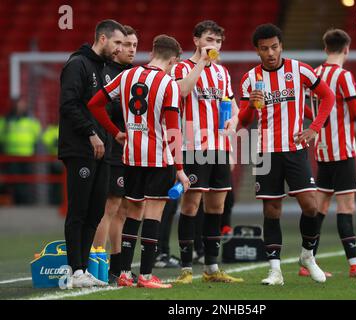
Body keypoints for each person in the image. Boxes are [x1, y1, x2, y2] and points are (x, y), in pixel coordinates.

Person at [88, 34, 190, 289]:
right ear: (175, 60)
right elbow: (174, 131)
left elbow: (94, 104)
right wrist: (179, 169)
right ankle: (145, 275)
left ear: (152, 52)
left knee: (132, 214)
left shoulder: (126, 76)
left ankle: (124, 272)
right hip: (159, 159)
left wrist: (116, 132)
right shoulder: (169, 84)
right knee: (153, 216)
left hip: (131, 157)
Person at [238, 24, 335, 285]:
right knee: (272, 209)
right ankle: (275, 270)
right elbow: (244, 120)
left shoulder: (300, 70)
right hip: (266, 151)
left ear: (281, 45)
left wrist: (314, 128)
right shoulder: (249, 79)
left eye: (274, 47)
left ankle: (307, 256)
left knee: (311, 205)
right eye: (264, 48)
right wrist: (249, 105)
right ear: (257, 50)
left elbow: (328, 97)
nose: (270, 52)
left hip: (295, 150)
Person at [302, 29, 356, 278]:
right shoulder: (344, 76)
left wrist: (316, 122)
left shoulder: (315, 74)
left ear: (326, 49)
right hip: (343, 151)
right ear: (346, 49)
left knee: (320, 207)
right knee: (346, 208)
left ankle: (308, 260)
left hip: (322, 151)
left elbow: (306, 107)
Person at [171, 20, 243, 284]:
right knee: (191, 205)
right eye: (210, 40)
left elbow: (233, 107)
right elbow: (182, 91)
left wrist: (234, 122)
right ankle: (186, 269)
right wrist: (202, 61)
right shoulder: (181, 67)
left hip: (220, 147)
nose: (214, 45)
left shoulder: (222, 73)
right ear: (196, 40)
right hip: (193, 147)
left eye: (218, 41)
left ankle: (212, 268)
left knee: (217, 206)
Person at [59, 19, 126, 288]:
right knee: (79, 209)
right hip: (79, 148)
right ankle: (75, 270)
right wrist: (90, 132)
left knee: (96, 210)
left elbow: (107, 110)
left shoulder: (106, 70)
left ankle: (83, 269)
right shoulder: (78, 65)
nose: (120, 48)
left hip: (103, 150)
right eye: (118, 42)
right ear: (102, 39)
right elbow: (68, 104)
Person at [91, 25, 138, 283]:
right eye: (125, 44)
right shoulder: (105, 72)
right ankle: (97, 264)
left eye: (134, 46)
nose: (130, 49)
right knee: (108, 207)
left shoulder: (132, 74)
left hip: (129, 150)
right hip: (110, 147)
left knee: (123, 209)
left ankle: (117, 266)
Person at [0, 97, 41, 204]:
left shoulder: (31, 121)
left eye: (23, 105)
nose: (21, 107)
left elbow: (38, 135)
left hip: (27, 156)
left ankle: (24, 202)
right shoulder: (6, 121)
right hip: (11, 156)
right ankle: (18, 202)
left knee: (26, 181)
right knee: (15, 181)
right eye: (19, 105)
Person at [42, 122, 63, 205]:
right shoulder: (51, 130)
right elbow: (45, 140)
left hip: (63, 160)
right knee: (54, 183)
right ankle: (55, 201)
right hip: (53, 159)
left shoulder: (65, 128)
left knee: (61, 183)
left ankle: (60, 200)